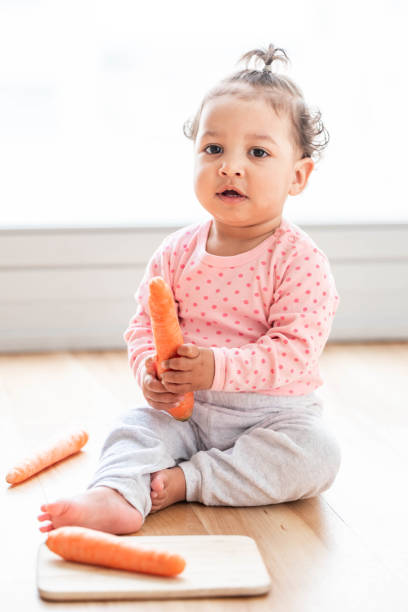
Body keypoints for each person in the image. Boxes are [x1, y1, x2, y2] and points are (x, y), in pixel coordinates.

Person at [38, 44, 341, 535]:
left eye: (258, 152)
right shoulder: (177, 252)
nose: (230, 166)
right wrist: (149, 371)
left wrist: (215, 367)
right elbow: (143, 324)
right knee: (133, 427)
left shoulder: (298, 260)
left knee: (318, 455)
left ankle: (188, 481)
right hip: (187, 413)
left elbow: (294, 353)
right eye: (213, 148)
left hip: (271, 417)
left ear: (298, 176)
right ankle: (115, 494)